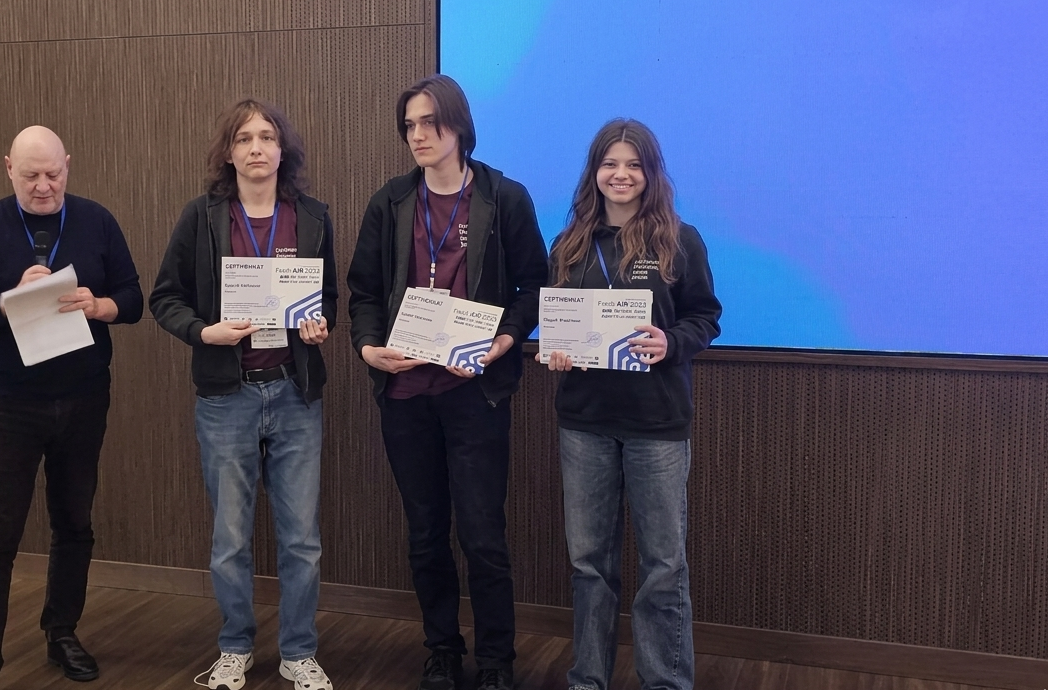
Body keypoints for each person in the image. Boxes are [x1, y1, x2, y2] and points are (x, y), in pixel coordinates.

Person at [347, 74, 549, 690]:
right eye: (409, 125)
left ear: (458, 126)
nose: (417, 135)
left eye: (429, 123)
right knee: (426, 534)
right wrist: (368, 349)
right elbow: (362, 292)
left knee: (483, 535)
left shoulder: (503, 197)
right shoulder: (389, 202)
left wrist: (503, 342)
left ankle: (495, 661)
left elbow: (533, 287)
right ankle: (441, 649)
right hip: (406, 395)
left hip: (474, 394)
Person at [0, 126, 144, 690]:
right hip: (10, 402)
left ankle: (62, 632)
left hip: (84, 396)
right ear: (9, 168)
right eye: (31, 175)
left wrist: (100, 305)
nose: (43, 186)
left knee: (74, 522)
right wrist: (10, 300)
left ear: (68, 166)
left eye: (53, 174)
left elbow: (134, 298)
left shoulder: (96, 221)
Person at [150, 98, 336, 690]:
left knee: (302, 540)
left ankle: (298, 652)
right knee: (230, 539)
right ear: (228, 153)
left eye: (267, 137)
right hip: (226, 398)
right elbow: (164, 298)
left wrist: (320, 326)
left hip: (294, 393)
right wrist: (203, 332)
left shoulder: (312, 217)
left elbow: (328, 297)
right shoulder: (202, 217)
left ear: (283, 150)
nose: (257, 148)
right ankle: (235, 647)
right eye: (244, 139)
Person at [539, 119, 722, 690]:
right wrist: (556, 352)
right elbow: (556, 323)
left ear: (651, 173)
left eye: (634, 165)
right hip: (584, 422)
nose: (621, 175)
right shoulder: (568, 245)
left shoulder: (680, 240)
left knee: (663, 567)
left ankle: (665, 682)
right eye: (610, 163)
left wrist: (672, 342)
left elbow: (705, 317)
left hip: (656, 424)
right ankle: (587, 680)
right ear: (594, 172)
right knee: (589, 565)